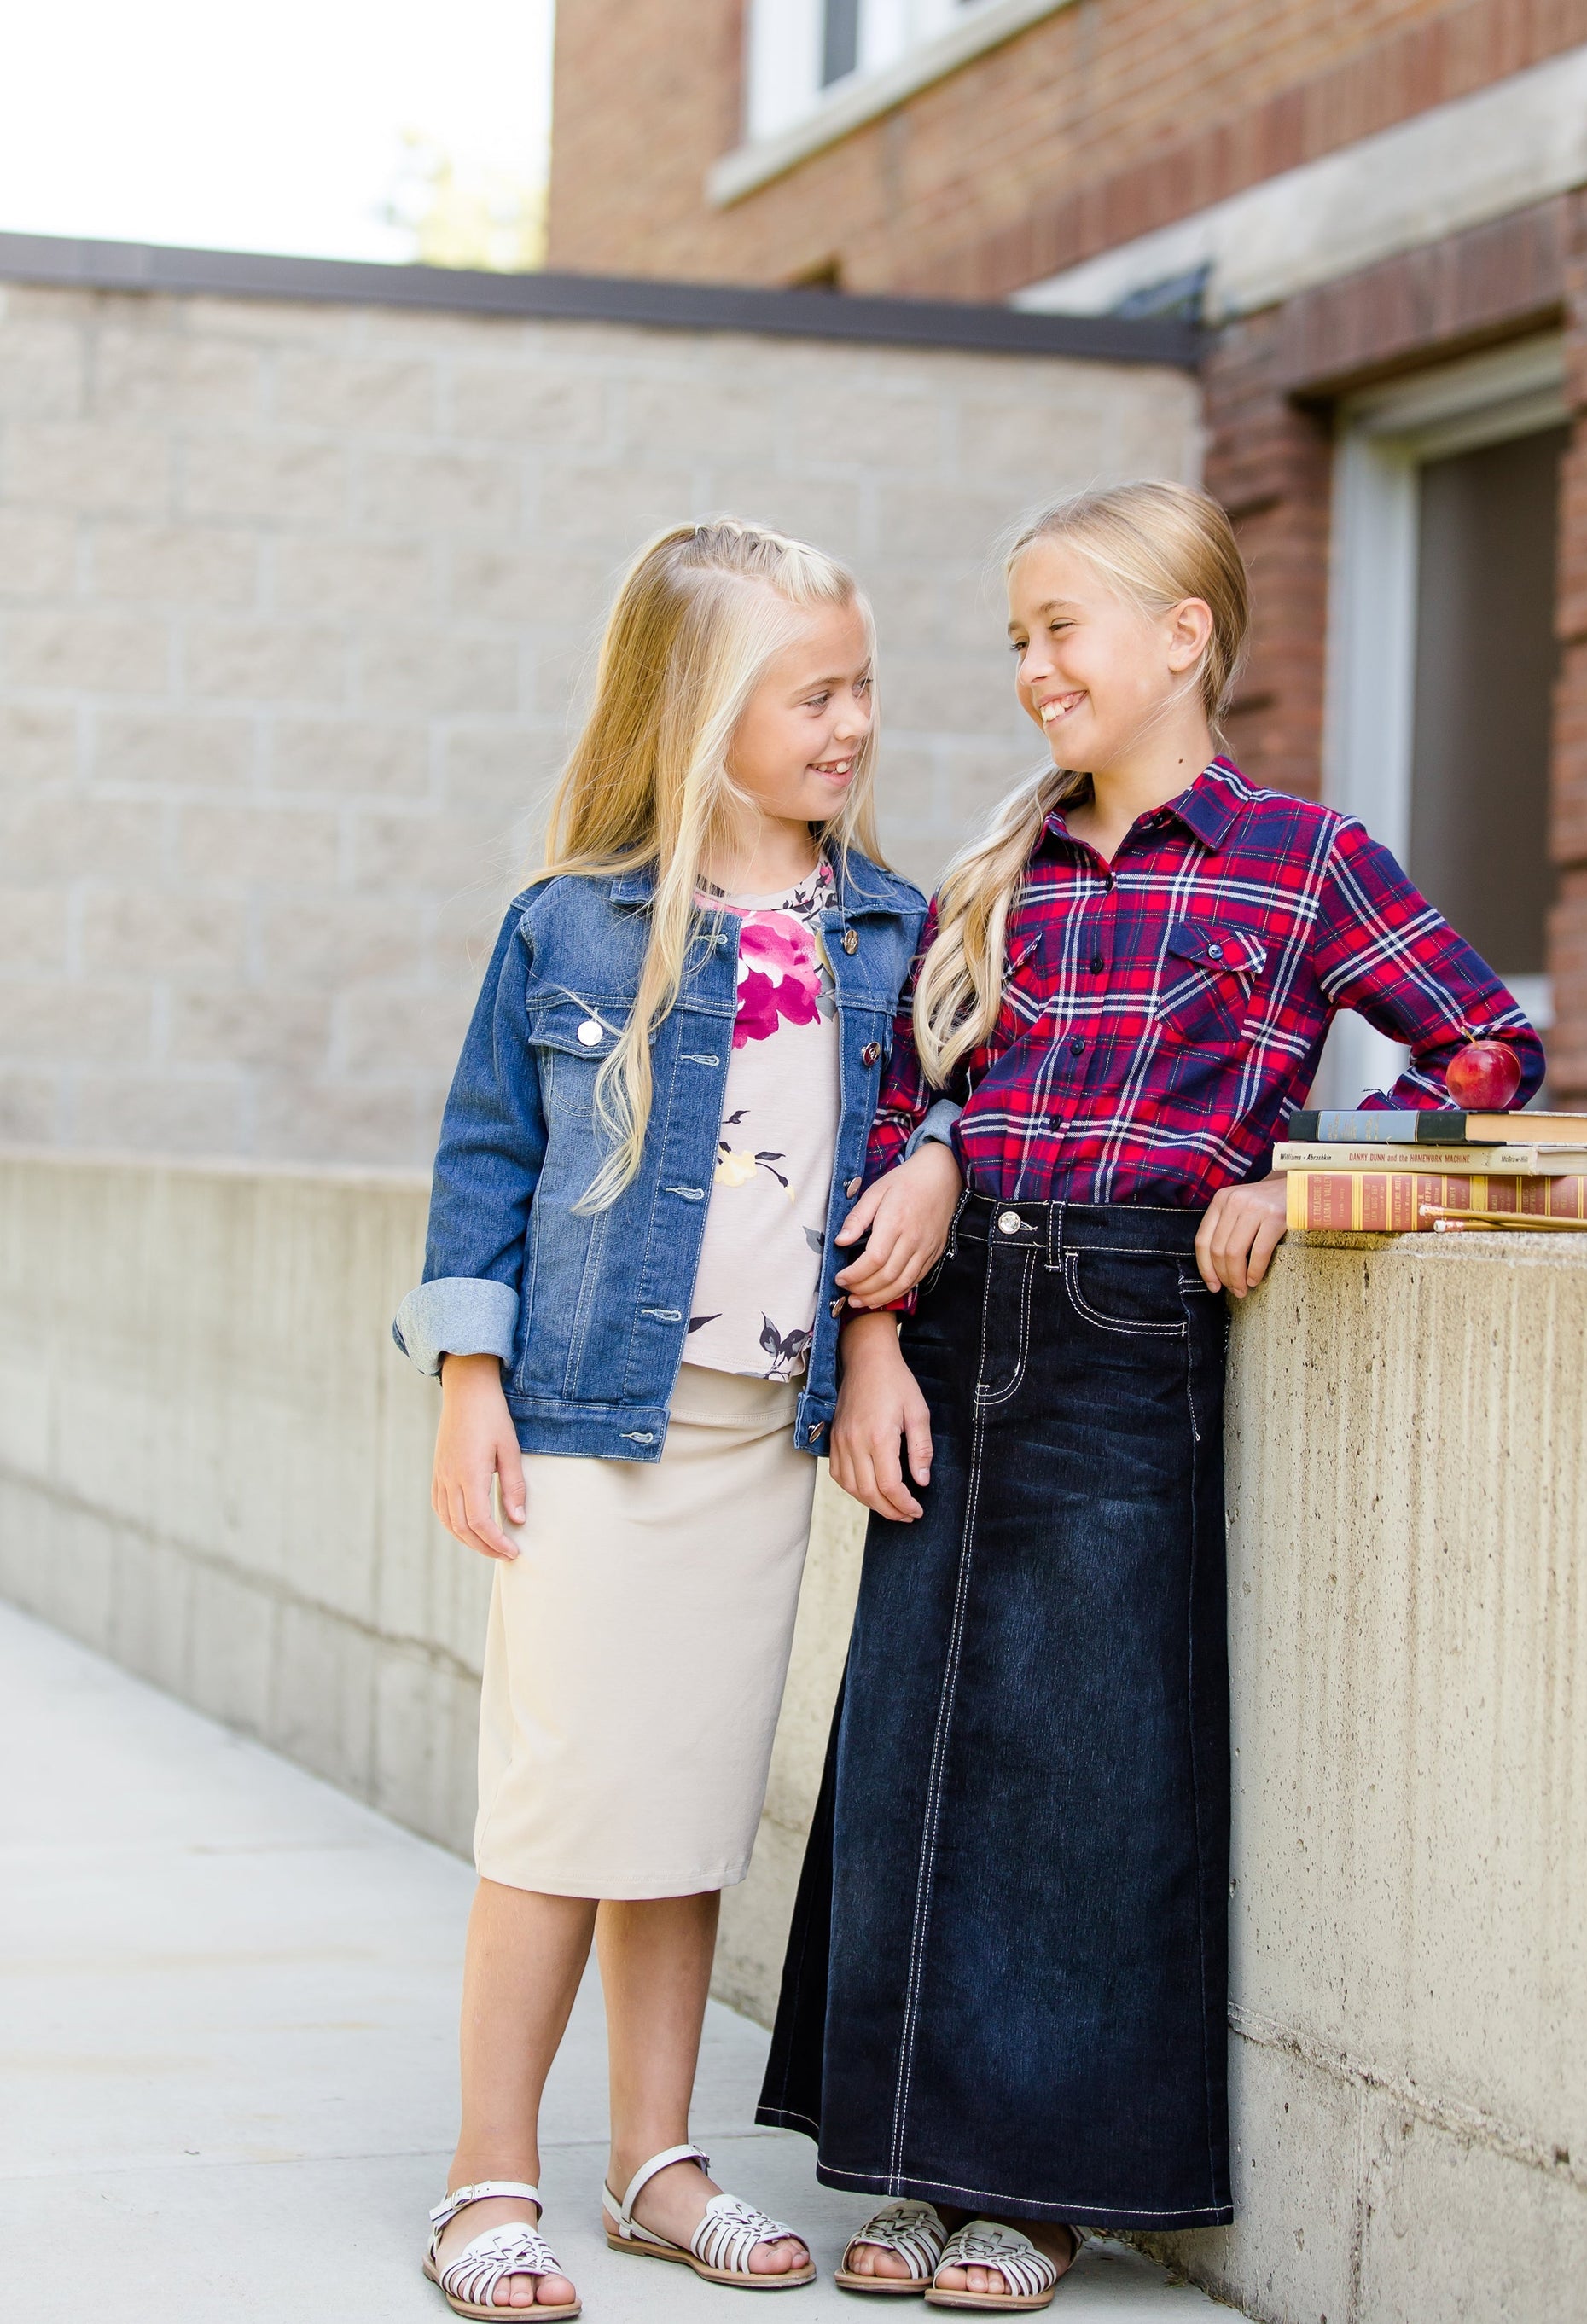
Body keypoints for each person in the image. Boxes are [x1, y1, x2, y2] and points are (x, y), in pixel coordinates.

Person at [758, 481, 1545, 2309]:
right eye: (1016, 637)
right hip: (952, 1319)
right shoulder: (996, 875)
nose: (1034, 668)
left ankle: (1031, 2190)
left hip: (1128, 1325)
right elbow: (897, 1118)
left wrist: (1312, 1180)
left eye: (1064, 627)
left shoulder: (1301, 856)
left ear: (1183, 635)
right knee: (917, 1742)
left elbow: (1486, 1045)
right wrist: (871, 1344)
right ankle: (898, 2157)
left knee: (1085, 1764)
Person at [393, 519, 948, 2318]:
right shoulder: (571, 923)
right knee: (561, 1807)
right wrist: (468, 1382)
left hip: (749, 1439)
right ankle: (489, 2178)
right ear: (701, 706)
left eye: (862, 683)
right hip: (582, 1423)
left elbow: (908, 1158)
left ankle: (653, 2160)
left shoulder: (887, 924)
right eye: (814, 691)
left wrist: (881, 1325)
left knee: (687, 1811)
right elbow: (489, 1156)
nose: (852, 721)